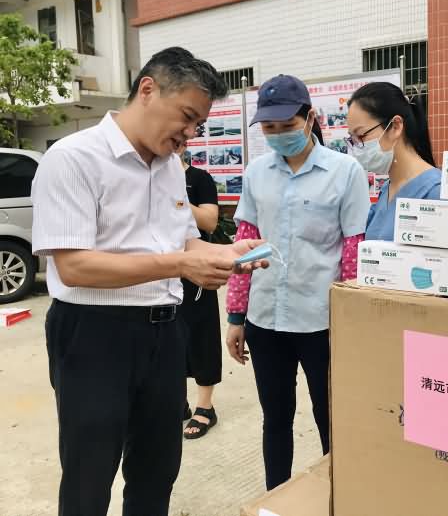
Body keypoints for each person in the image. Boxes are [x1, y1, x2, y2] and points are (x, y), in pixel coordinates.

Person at [31, 46, 268, 516]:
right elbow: (74, 266)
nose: (191, 133)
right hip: (94, 334)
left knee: (156, 471)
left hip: (164, 333)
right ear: (147, 89)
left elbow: (181, 241)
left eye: (199, 123)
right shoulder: (74, 158)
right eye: (187, 116)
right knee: (89, 476)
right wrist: (179, 266)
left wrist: (224, 254)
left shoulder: (169, 167)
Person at [224, 74, 370, 490]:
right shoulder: (256, 173)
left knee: (330, 417)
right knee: (275, 418)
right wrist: (236, 316)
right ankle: (277, 499)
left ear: (310, 118)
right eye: (269, 128)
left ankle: (336, 497)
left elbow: (353, 251)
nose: (278, 135)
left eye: (286, 125)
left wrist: (351, 323)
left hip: (322, 322)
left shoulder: (345, 172)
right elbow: (245, 244)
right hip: (266, 320)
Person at [345, 82, 440, 240]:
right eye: (353, 139)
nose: (357, 148)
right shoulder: (386, 190)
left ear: (395, 127)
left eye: (361, 136)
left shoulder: (435, 192)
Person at [175, 141, 222, 439]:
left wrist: (177, 198)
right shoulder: (148, 178)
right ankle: (177, 402)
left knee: (201, 336)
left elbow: (210, 221)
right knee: (168, 339)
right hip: (161, 269)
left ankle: (205, 406)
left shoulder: (199, 179)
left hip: (198, 266)